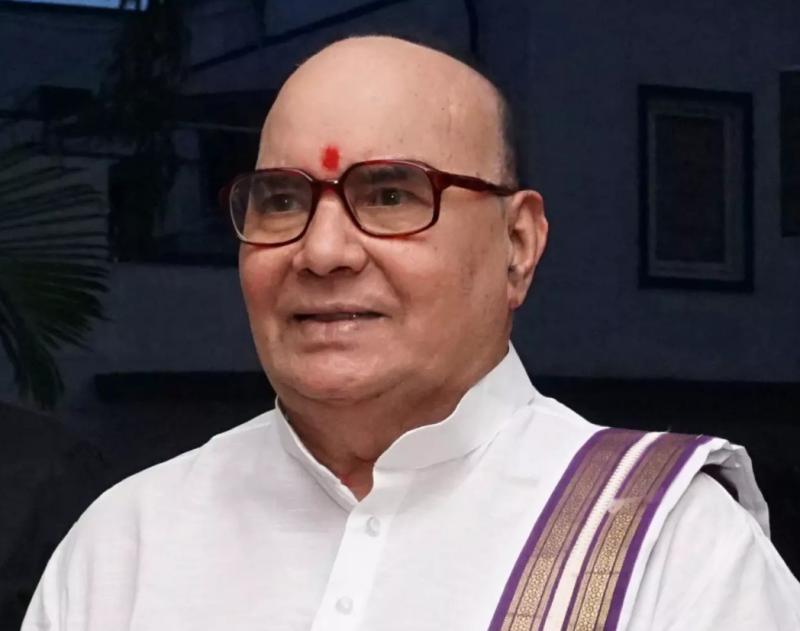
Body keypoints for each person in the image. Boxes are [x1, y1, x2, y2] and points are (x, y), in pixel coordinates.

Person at [22, 35, 800, 630]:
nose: (323, 251)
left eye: (390, 195)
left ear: (518, 245)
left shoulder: (665, 542)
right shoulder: (128, 547)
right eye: (282, 200)